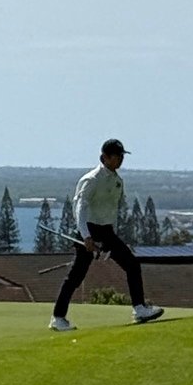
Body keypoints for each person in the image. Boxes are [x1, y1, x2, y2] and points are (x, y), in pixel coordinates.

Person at [50, 138, 164, 332]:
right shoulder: (91, 179)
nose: (120, 160)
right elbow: (80, 209)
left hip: (107, 231)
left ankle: (139, 308)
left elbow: (112, 211)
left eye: (121, 156)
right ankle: (58, 318)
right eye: (116, 156)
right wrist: (86, 237)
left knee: (132, 265)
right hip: (89, 230)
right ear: (105, 157)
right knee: (76, 277)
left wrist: (112, 239)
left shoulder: (118, 181)